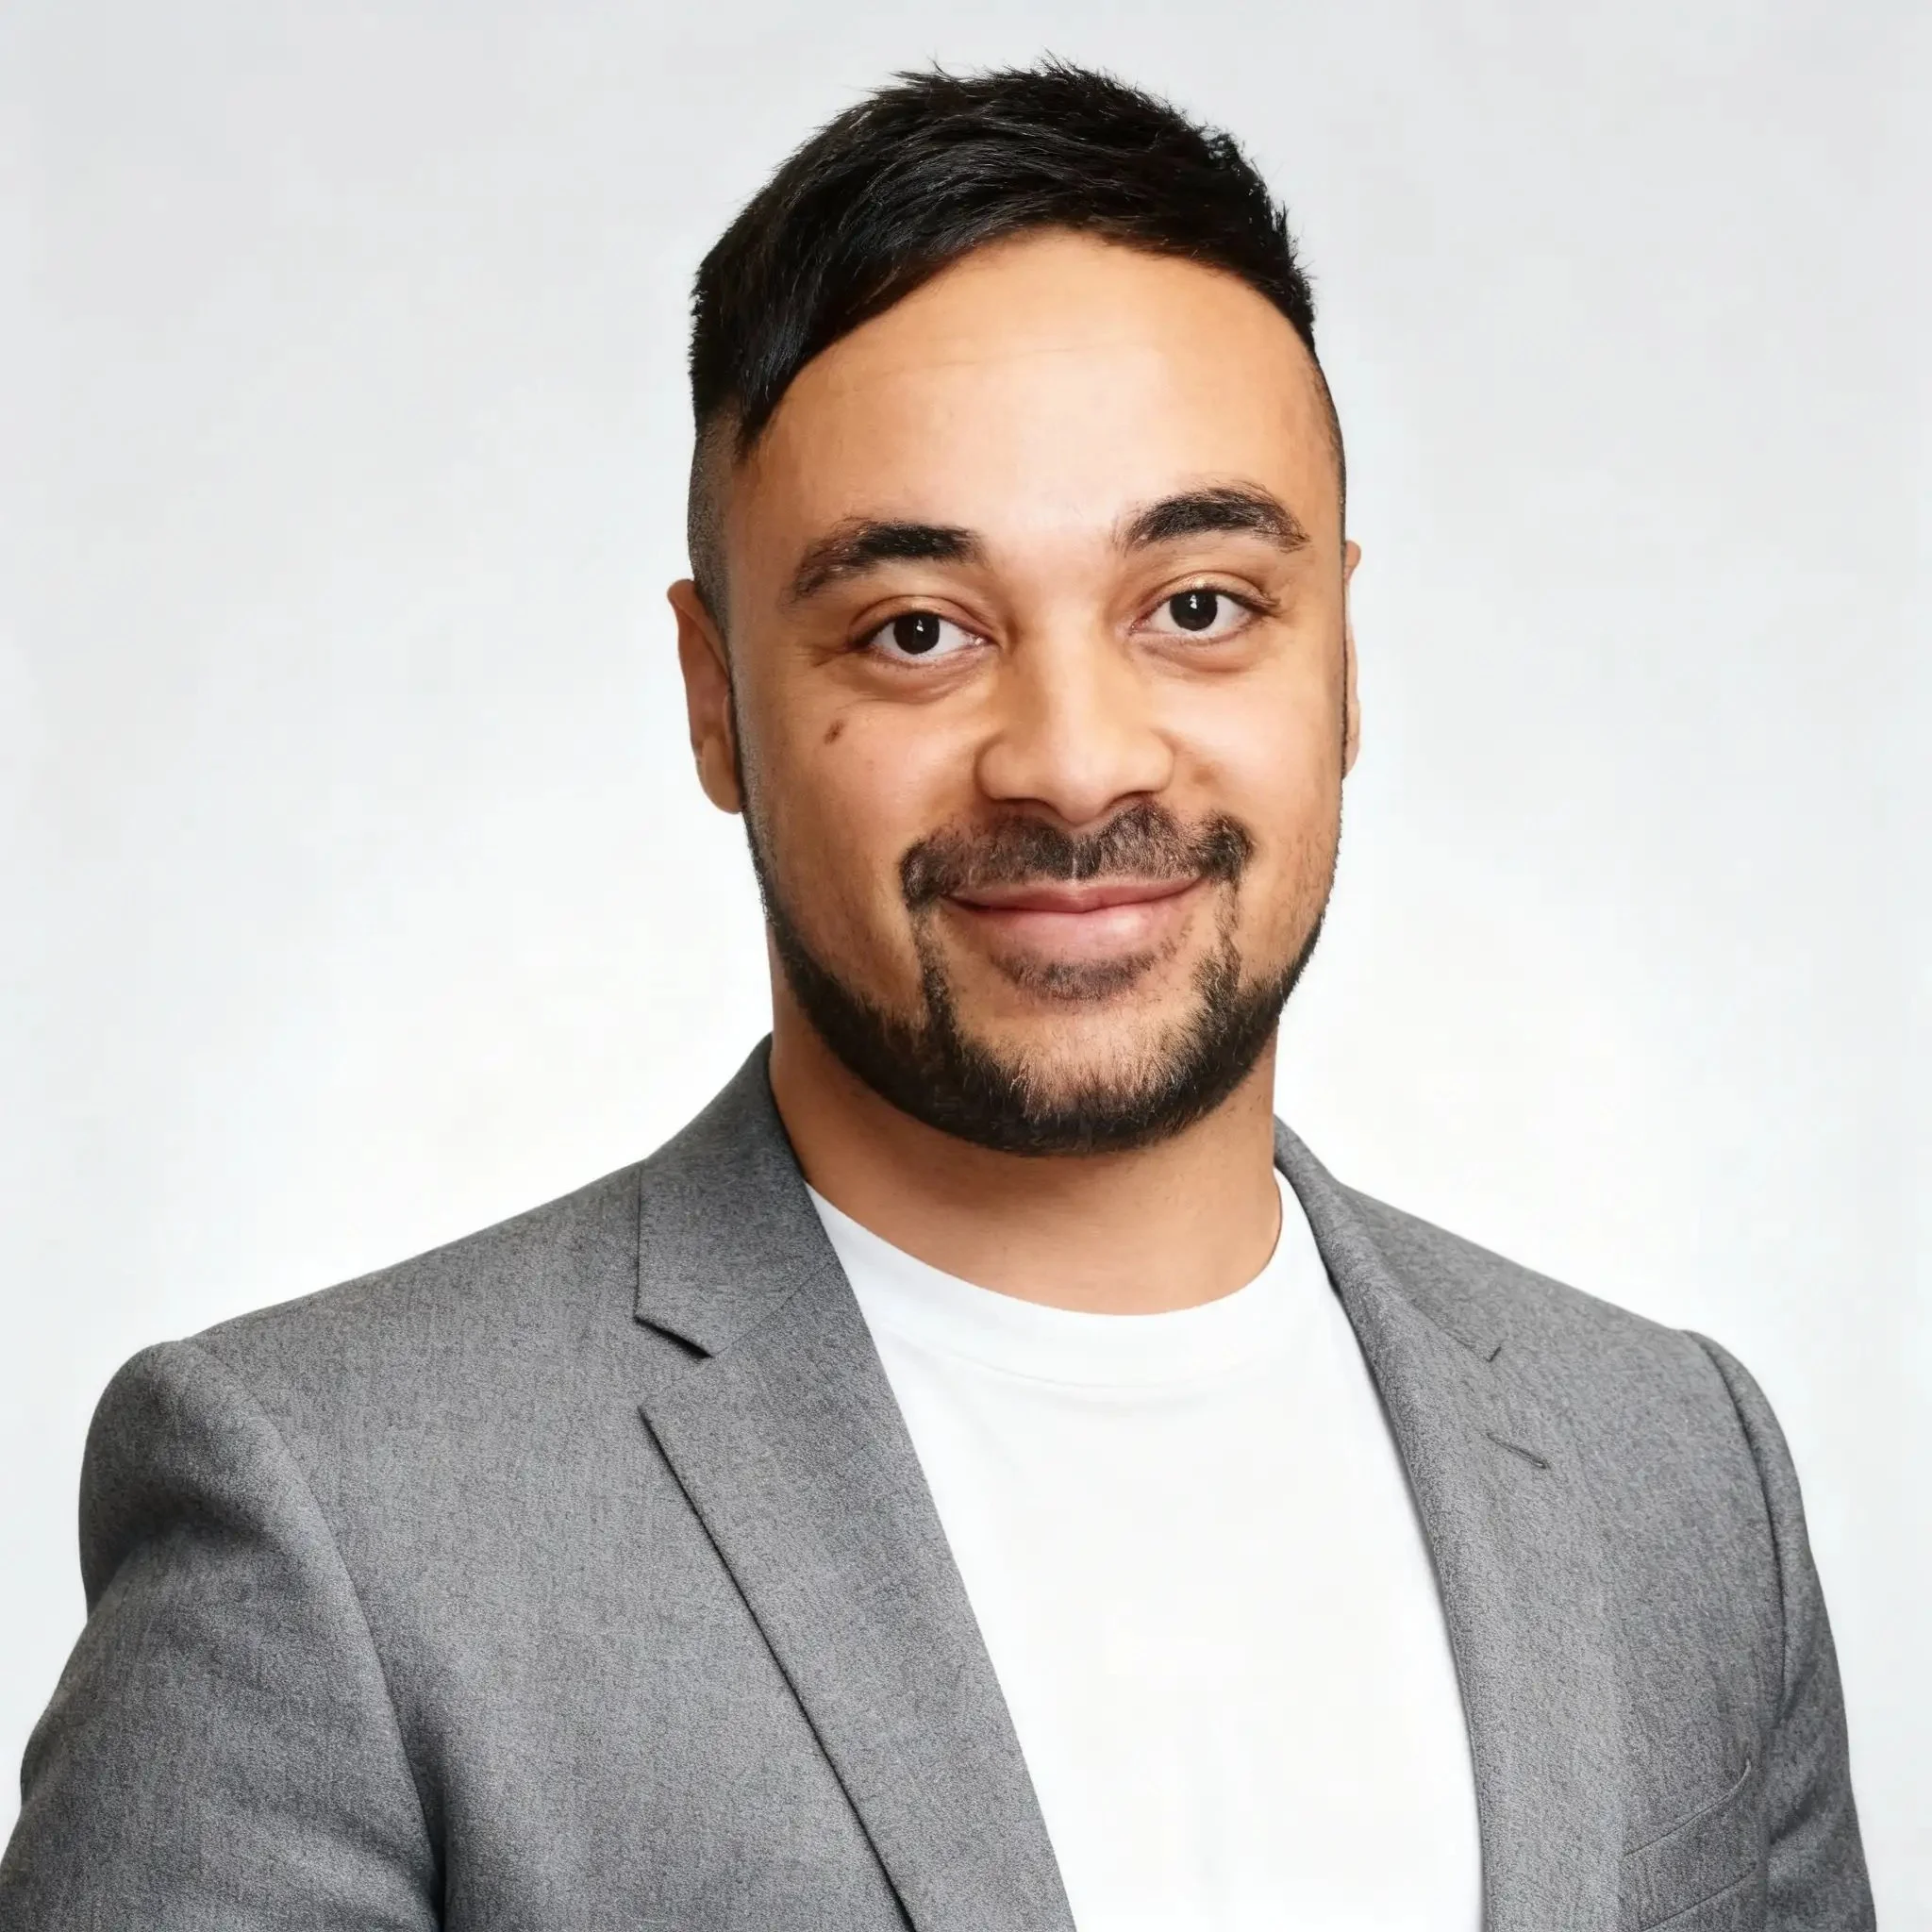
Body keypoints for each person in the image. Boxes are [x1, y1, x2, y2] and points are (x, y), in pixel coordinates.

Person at [1, 61, 1871, 1932]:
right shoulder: (332, 1516)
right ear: (714, 692)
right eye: (915, 632)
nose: (1071, 763)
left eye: (1198, 603)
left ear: (1343, 653)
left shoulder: (1674, 1476)